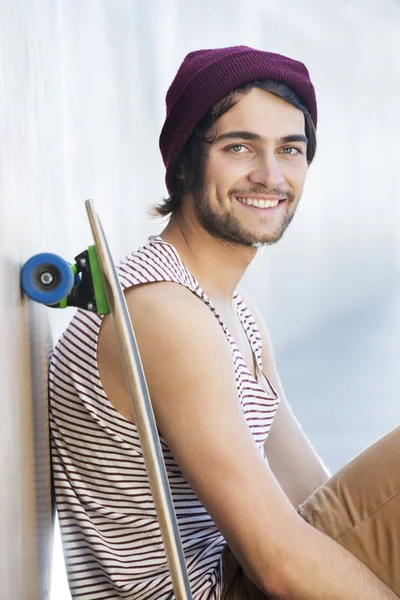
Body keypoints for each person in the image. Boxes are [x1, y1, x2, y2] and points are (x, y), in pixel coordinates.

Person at [49, 45, 400, 600]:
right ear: (186, 161)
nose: (270, 175)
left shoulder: (232, 309)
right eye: (240, 147)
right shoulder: (162, 312)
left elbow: (313, 496)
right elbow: (278, 562)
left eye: (291, 149)